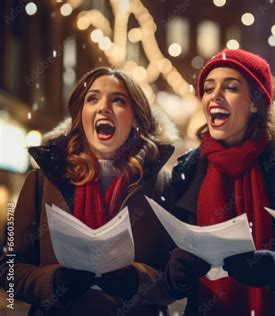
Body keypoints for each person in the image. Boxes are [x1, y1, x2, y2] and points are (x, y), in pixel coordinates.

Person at [0, 67, 180, 315]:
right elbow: (8, 269)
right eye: (92, 98)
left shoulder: (162, 185)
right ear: (80, 115)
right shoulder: (42, 181)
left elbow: (177, 279)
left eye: (118, 100)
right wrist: (52, 282)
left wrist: (137, 281)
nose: (103, 107)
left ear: (136, 118)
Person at [162, 48, 275, 316]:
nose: (215, 96)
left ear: (255, 103)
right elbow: (172, 284)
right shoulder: (187, 171)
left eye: (230, 87)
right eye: (208, 89)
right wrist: (176, 272)